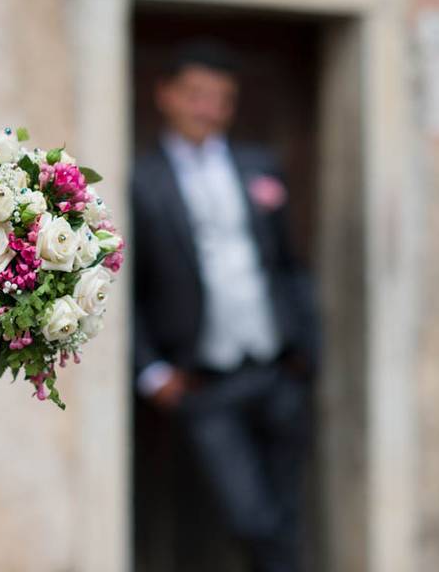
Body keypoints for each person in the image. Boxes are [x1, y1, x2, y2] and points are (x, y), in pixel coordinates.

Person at [131, 42, 319, 571]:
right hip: (204, 380)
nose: (208, 109)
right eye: (196, 95)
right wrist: (151, 370)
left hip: (279, 369)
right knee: (248, 517)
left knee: (286, 512)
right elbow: (130, 287)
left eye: (222, 99)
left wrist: (307, 348)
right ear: (166, 95)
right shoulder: (141, 181)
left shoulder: (260, 165)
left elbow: (289, 263)